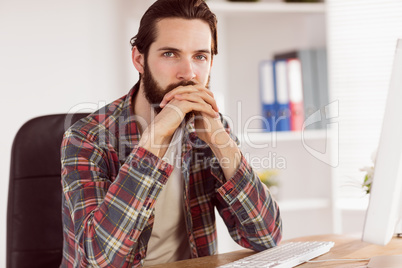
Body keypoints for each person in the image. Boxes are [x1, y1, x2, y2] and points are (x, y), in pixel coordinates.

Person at [60, 0, 282, 267]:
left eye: (200, 56)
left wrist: (221, 141)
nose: (188, 73)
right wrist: (154, 141)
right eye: (170, 54)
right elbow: (101, 259)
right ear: (139, 59)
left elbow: (266, 237)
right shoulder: (86, 137)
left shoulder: (210, 129)